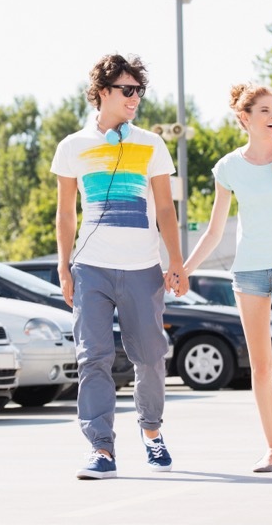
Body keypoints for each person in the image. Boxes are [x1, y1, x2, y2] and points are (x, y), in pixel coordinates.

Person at [52, 52, 188, 480]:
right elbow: (66, 213)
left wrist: (176, 261)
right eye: (127, 90)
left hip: (142, 267)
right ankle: (101, 449)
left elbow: (166, 209)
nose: (135, 98)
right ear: (102, 93)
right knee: (93, 357)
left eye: (139, 91)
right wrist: (63, 265)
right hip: (90, 268)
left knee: (149, 357)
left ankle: (151, 431)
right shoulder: (73, 146)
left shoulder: (151, 143)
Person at [183, 82, 272, 478]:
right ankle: (271, 448)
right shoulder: (228, 167)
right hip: (249, 271)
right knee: (260, 366)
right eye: (264, 111)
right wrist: (184, 270)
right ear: (244, 118)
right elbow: (213, 231)